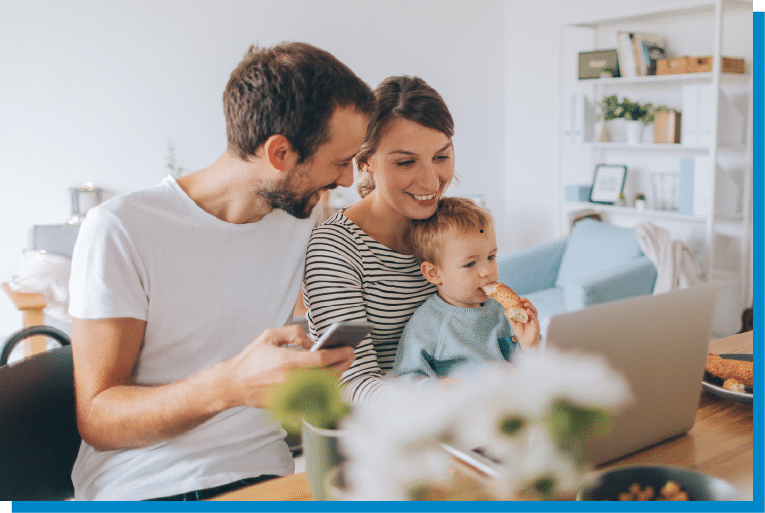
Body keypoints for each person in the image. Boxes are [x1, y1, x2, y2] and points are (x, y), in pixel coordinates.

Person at [67, 42, 373, 501]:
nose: (348, 179)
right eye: (338, 162)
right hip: (149, 483)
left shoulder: (303, 218)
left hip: (270, 477)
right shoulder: (123, 228)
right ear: (280, 153)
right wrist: (230, 384)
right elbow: (98, 419)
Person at [303, 75, 455, 402]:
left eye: (441, 157)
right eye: (405, 162)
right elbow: (353, 384)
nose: (431, 181)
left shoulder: (452, 227)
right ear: (365, 162)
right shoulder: (336, 249)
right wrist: (439, 398)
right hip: (387, 430)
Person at [391, 197, 540, 384]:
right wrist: (436, 387)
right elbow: (405, 379)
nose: (488, 271)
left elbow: (527, 370)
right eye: (470, 264)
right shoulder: (427, 325)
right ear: (434, 273)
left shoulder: (503, 311)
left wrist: (529, 345)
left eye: (491, 257)